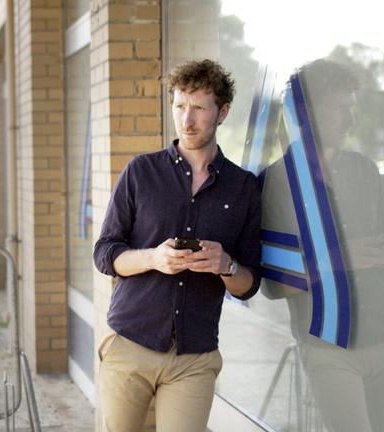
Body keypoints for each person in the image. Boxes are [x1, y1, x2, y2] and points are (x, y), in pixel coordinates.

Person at [93, 59, 262, 432]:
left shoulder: (244, 187)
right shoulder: (141, 172)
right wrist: (153, 258)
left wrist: (226, 266)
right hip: (130, 344)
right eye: (180, 106)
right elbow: (105, 253)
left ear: (223, 113)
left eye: (199, 108)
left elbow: (250, 282)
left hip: (195, 356)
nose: (187, 120)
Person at [260, 59, 384, 432]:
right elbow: (273, 282)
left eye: (352, 107)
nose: (351, 119)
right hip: (329, 348)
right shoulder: (278, 183)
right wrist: (336, 259)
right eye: (340, 108)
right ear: (306, 114)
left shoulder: (364, 169)